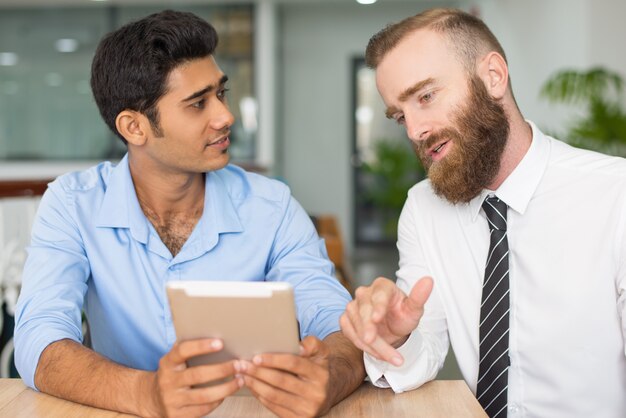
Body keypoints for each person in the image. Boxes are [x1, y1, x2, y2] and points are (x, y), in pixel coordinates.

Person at [14, 10, 364, 418]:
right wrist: (146, 394)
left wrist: (332, 376)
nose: (225, 116)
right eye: (198, 104)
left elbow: (335, 320)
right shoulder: (73, 205)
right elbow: (40, 338)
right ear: (134, 127)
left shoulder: (273, 206)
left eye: (221, 93)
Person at [340, 7, 626, 418]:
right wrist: (397, 338)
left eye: (426, 96)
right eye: (401, 114)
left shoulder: (616, 196)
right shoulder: (423, 208)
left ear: (493, 76)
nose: (414, 131)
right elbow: (423, 352)